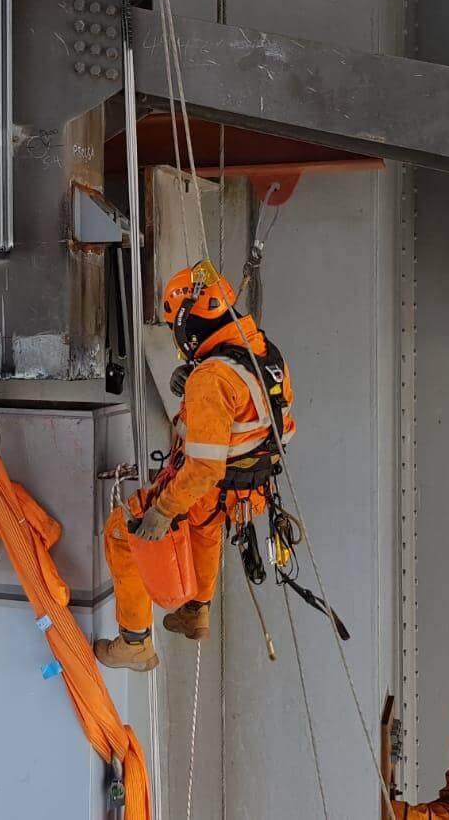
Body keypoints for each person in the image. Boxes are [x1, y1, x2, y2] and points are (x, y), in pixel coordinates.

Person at [95, 261, 296, 671]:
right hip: (248, 489)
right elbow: (255, 408)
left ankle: (135, 642)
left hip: (211, 484)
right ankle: (197, 611)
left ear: (188, 325)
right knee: (206, 531)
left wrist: (162, 509)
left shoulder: (212, 378)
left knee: (121, 532)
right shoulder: (262, 351)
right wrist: (194, 376)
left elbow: (203, 469)